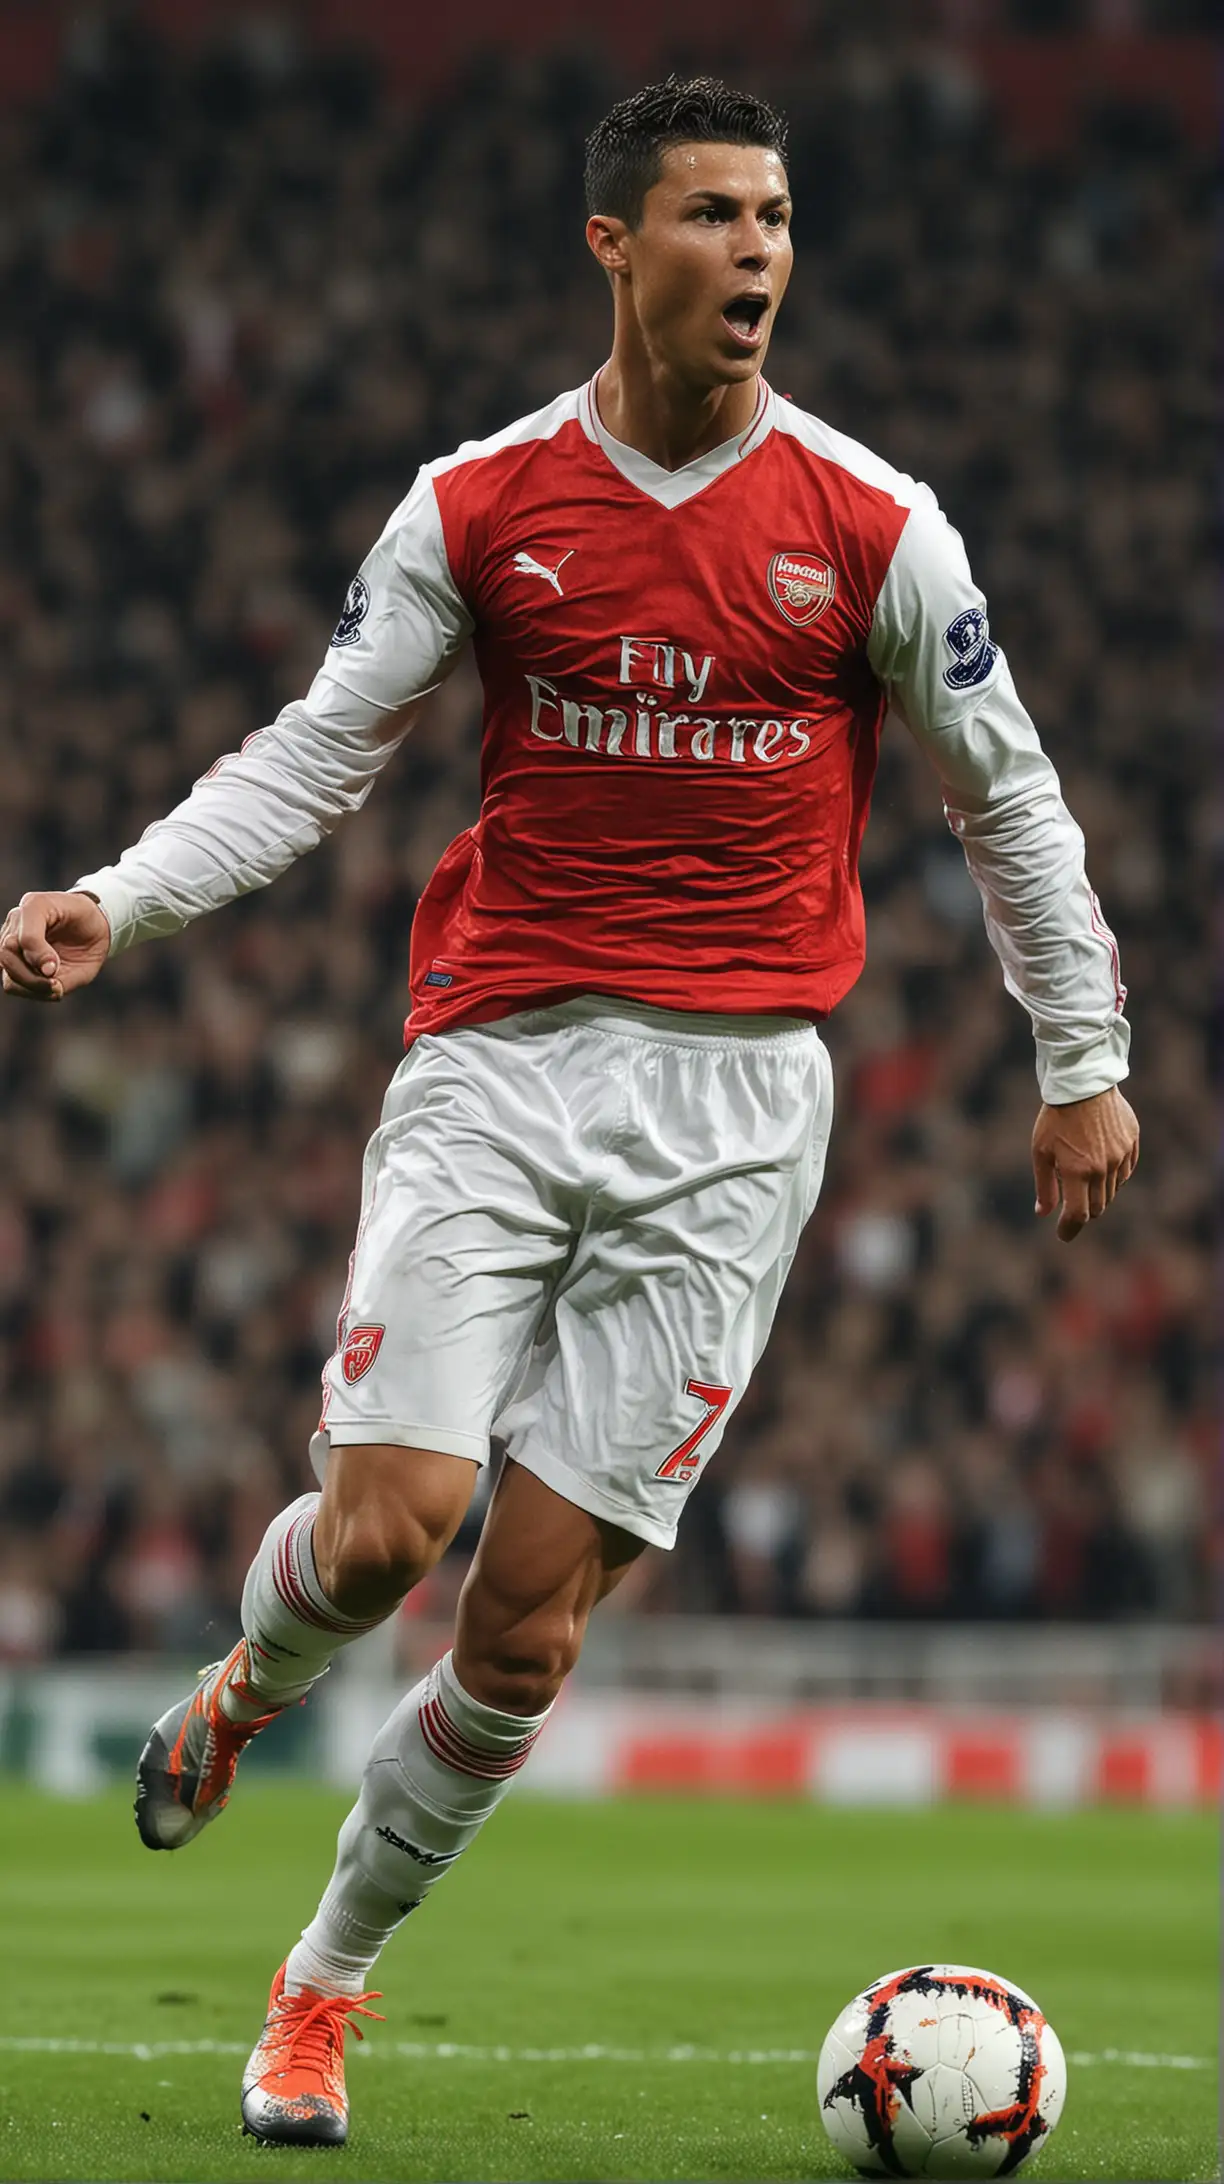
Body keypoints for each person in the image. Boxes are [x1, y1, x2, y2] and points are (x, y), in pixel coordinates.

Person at [0, 75, 1138, 2149]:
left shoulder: (877, 526)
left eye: (781, 216)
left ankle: (317, 1988)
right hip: (501, 1069)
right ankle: (253, 1689)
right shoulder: (480, 502)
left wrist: (1086, 1061)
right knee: (381, 1536)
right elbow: (318, 751)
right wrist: (122, 897)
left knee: (521, 1626)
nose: (764, 254)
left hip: (736, 1118)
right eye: (718, 217)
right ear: (617, 245)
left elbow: (1013, 801)